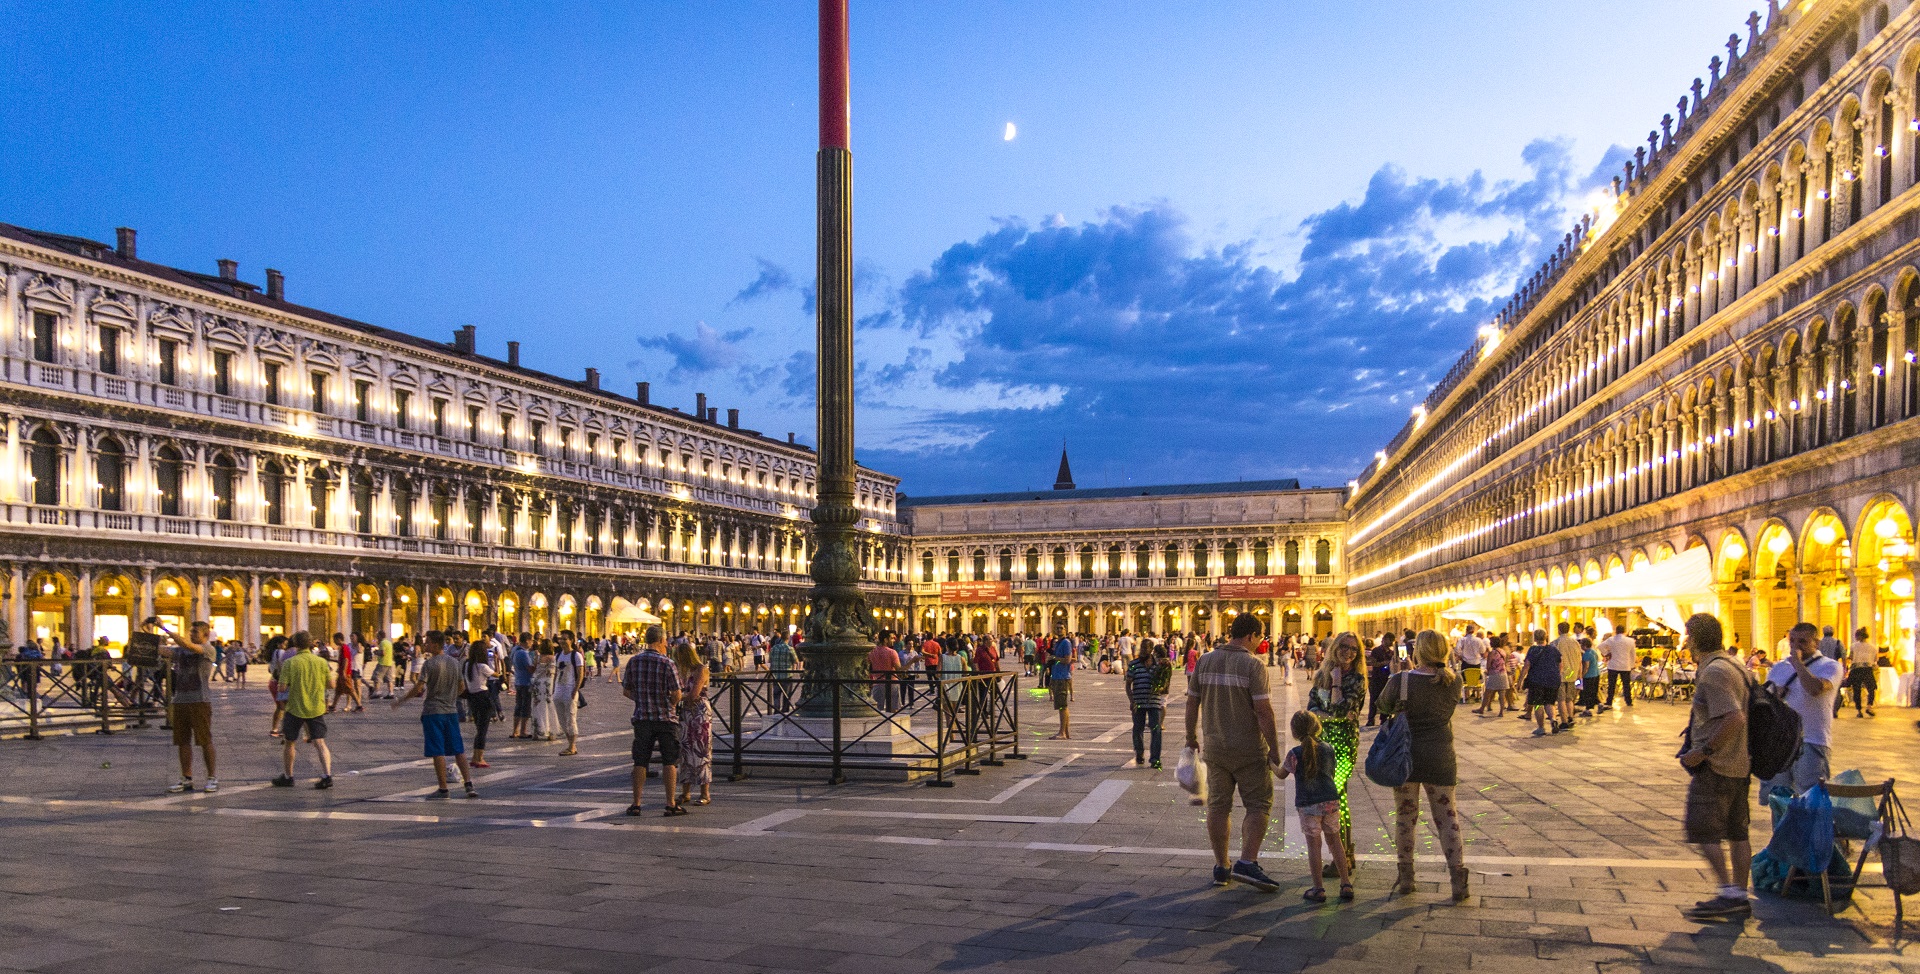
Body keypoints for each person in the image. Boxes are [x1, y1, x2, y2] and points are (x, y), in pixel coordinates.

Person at [1186, 614, 1282, 892]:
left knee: (1218, 805)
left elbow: (1192, 703)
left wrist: (1191, 737)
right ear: (1251, 635)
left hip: (1215, 747)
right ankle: (1248, 862)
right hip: (1249, 749)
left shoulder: (1205, 660)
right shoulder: (1253, 665)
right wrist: (1274, 749)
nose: (1262, 641)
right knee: (1259, 803)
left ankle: (1222, 866)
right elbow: (1264, 712)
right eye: (1261, 635)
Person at [1376, 630, 1469, 902]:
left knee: (1406, 817)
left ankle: (1406, 879)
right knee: (1447, 817)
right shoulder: (1455, 681)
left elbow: (1383, 705)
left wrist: (1398, 675)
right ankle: (1458, 881)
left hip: (1405, 757)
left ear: (1418, 650)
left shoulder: (1402, 679)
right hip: (1440, 756)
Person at [1677, 613, 1752, 921]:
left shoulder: (1715, 672)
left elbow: (1735, 717)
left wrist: (1703, 751)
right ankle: (1739, 895)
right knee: (1737, 831)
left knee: (1702, 828)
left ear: (1695, 636)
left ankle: (1728, 893)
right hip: (1739, 762)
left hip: (1718, 765)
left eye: (1687, 634)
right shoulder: (1733, 664)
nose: (1684, 640)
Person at [1761, 622, 1841, 802]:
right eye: (1793, 642)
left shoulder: (1830, 666)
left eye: (1802, 642)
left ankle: (1809, 831)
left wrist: (1797, 663)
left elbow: (1815, 689)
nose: (1796, 647)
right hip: (1781, 743)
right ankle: (1781, 831)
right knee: (1779, 799)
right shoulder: (1779, 668)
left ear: (1816, 643)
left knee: (1810, 798)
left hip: (1812, 740)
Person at [392, 630, 477, 799]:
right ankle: (468, 784)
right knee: (458, 749)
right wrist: (451, 696)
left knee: (437, 750)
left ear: (436, 645)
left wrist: (401, 700)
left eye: (428, 642)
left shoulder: (429, 664)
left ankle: (443, 788)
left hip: (433, 712)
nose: (425, 645)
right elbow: (461, 687)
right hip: (451, 711)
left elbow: (419, 688)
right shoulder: (455, 663)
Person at [1310, 632, 1367, 875]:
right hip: (1323, 745)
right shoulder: (1321, 674)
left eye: (1354, 649)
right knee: (1332, 800)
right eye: (1344, 647)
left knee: (1336, 798)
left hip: (1344, 746)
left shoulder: (1357, 679)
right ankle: (1344, 856)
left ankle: (1342, 858)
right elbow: (1311, 709)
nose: (1349, 652)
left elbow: (1340, 709)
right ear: (1335, 647)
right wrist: (1333, 714)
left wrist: (1335, 684)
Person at [1280, 711, 1351, 903]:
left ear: (1294, 731)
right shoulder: (1328, 748)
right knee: (1336, 841)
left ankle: (1318, 889)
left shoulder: (1294, 754)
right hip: (1330, 801)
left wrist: (1270, 763)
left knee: (1314, 845)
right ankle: (1346, 884)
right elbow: (1332, 771)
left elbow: (1281, 774)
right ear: (1317, 726)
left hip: (1308, 805)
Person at [622, 625, 684, 817]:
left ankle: (636, 803)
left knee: (640, 761)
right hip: (666, 719)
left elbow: (626, 690)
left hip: (642, 719)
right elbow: (677, 693)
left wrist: (642, 700)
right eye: (665, 641)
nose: (667, 644)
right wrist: (670, 704)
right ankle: (670, 803)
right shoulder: (667, 663)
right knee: (669, 761)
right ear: (660, 641)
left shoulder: (634, 661)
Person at [154, 619, 219, 794]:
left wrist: (164, 628)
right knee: (182, 741)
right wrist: (145, 637)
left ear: (205, 635)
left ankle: (212, 777)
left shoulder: (208, 650)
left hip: (200, 700)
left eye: (195, 632)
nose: (191, 635)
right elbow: (162, 651)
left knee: (205, 740)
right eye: (190, 632)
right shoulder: (181, 651)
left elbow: (188, 646)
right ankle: (186, 778)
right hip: (180, 699)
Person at [271, 633, 333, 789]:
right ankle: (327, 775)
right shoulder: (321, 662)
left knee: (290, 743)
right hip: (316, 707)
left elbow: (282, 687)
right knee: (320, 742)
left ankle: (288, 776)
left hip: (295, 707)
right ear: (311, 644)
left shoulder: (290, 663)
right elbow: (331, 684)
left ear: (295, 645)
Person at [672, 640, 712, 807]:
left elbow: (695, 694)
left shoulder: (701, 669)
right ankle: (685, 792)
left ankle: (705, 793)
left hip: (700, 713)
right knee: (686, 750)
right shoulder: (683, 671)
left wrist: (676, 696)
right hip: (686, 713)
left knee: (701, 752)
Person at [1124, 642, 1171, 768]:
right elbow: (1128, 684)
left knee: (1156, 730)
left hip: (1154, 702)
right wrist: (1131, 700)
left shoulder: (1158, 665)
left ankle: (1155, 758)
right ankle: (1139, 753)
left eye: (1146, 649)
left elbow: (1164, 683)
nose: (1143, 651)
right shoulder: (1134, 664)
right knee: (1137, 729)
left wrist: (1160, 687)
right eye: (1142, 648)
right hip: (1138, 702)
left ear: (1151, 650)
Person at [1516, 629, 1562, 737]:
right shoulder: (1553, 649)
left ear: (1535, 638)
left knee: (1538, 704)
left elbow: (1526, 666)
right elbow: (1560, 664)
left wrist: (1520, 680)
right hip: (1552, 680)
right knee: (1549, 703)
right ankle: (1553, 719)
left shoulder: (1533, 650)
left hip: (1537, 681)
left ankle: (1541, 727)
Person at [463, 641, 497, 768]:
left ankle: (474, 756)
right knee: (483, 730)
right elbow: (496, 675)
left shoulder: (467, 665)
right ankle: (479, 757)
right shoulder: (482, 666)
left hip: (472, 698)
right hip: (483, 697)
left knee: (479, 728)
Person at [553, 636, 583, 755]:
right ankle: (569, 743)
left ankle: (572, 746)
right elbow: (556, 673)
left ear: (571, 641)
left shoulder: (576, 655)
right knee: (561, 720)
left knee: (571, 718)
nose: (562, 641)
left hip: (570, 689)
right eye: (561, 639)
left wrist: (575, 689)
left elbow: (580, 674)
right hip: (559, 689)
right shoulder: (558, 655)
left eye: (565, 639)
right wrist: (553, 689)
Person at [1598, 626, 1638, 712]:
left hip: (1613, 665)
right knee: (1626, 684)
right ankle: (1628, 701)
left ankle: (1609, 701)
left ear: (1616, 631)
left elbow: (1600, 646)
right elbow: (1633, 654)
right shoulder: (1630, 641)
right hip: (1625, 665)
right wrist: (1632, 664)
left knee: (1611, 685)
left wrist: (1607, 653)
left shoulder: (1611, 640)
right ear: (1624, 631)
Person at [1842, 627, 1877, 717]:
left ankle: (1859, 711)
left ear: (1858, 636)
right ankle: (1869, 706)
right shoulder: (1873, 647)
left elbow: (1851, 657)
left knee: (1856, 689)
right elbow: (1875, 659)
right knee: (1871, 688)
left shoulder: (1853, 646)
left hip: (1856, 669)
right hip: (1867, 669)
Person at [1475, 634, 1512, 717]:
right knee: (1502, 694)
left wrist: (1487, 671)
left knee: (1487, 693)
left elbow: (1488, 665)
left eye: (1491, 642)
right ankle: (1501, 712)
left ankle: (1482, 709)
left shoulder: (1492, 653)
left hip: (1494, 674)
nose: (1490, 643)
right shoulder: (1503, 651)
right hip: (1503, 674)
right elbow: (1504, 663)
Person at [1047, 628, 1074, 739]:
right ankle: (1065, 732)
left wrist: (1054, 658)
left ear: (1065, 630)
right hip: (1057, 676)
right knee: (1062, 706)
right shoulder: (1058, 643)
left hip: (1062, 677)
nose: (1059, 630)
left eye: (1061, 628)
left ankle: (1062, 732)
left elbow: (1067, 660)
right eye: (1057, 628)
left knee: (1062, 706)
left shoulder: (1066, 643)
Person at [1364, 634, 1394, 727]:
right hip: (1377, 678)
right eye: (1390, 640)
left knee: (1385, 698)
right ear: (1385, 639)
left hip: (1386, 678)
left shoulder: (1391, 652)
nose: (1391, 643)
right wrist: (1383, 663)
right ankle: (1371, 719)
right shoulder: (1376, 650)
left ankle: (1384, 718)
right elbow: (1373, 663)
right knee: (1374, 698)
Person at [509, 635, 535, 738]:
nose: (532, 643)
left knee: (518, 706)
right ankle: (523, 730)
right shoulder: (524, 653)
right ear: (527, 641)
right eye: (531, 641)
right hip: (526, 682)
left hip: (518, 681)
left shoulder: (515, 650)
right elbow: (530, 669)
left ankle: (515, 730)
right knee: (526, 707)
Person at [530, 644, 557, 741]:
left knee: (536, 706)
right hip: (548, 683)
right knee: (548, 705)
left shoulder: (537, 657)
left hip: (537, 682)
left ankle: (536, 732)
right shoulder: (553, 658)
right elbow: (555, 671)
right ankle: (550, 732)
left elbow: (533, 669)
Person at [867, 635, 899, 712]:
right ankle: (892, 723)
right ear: (885, 639)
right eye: (891, 638)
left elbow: (867, 666)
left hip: (877, 682)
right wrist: (913, 661)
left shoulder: (872, 652)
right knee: (893, 709)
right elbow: (899, 669)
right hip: (892, 682)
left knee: (877, 710)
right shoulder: (892, 652)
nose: (893, 640)